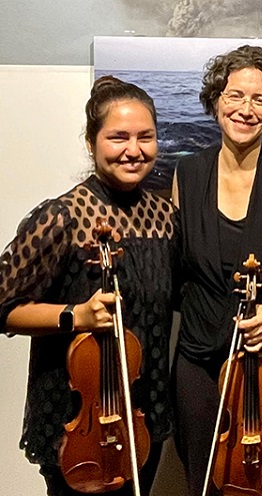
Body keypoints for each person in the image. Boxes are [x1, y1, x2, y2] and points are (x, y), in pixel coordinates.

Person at [0, 76, 178, 495]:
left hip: (141, 412)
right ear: (91, 140)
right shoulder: (62, 216)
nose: (133, 151)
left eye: (145, 137)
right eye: (118, 137)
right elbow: (3, 305)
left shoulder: (166, 216)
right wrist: (76, 315)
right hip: (76, 417)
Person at [170, 45, 262, 496]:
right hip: (199, 355)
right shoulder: (188, 173)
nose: (245, 109)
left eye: (259, 100)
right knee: (204, 479)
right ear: (216, 100)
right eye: (235, 95)